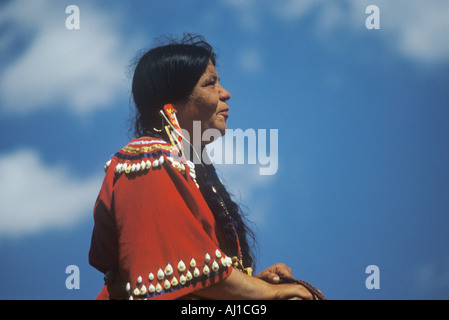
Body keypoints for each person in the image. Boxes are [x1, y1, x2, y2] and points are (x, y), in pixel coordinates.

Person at [89, 34, 324, 300]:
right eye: (210, 83)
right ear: (173, 104)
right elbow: (180, 274)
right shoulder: (147, 162)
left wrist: (252, 284)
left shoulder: (183, 168)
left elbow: (197, 282)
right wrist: (271, 293)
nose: (225, 93)